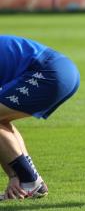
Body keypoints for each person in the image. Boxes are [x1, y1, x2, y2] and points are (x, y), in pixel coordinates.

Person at [0, 35, 80, 200]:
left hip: (48, 71)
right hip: (61, 68)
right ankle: (30, 182)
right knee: (2, 118)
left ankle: (27, 181)